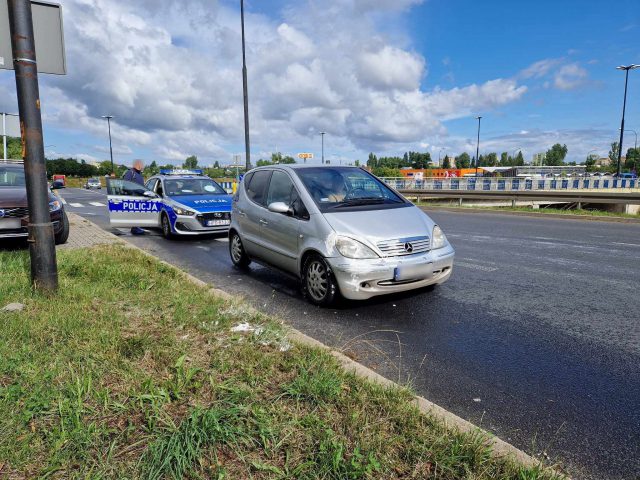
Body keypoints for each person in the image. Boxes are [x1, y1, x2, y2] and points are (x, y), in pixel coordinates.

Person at [123, 159, 146, 235]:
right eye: (140, 165)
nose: (141, 166)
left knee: (138, 213)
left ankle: (136, 227)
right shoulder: (130, 173)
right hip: (134, 197)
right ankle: (135, 228)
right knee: (135, 213)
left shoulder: (139, 174)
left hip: (140, 197)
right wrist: (133, 193)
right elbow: (125, 186)